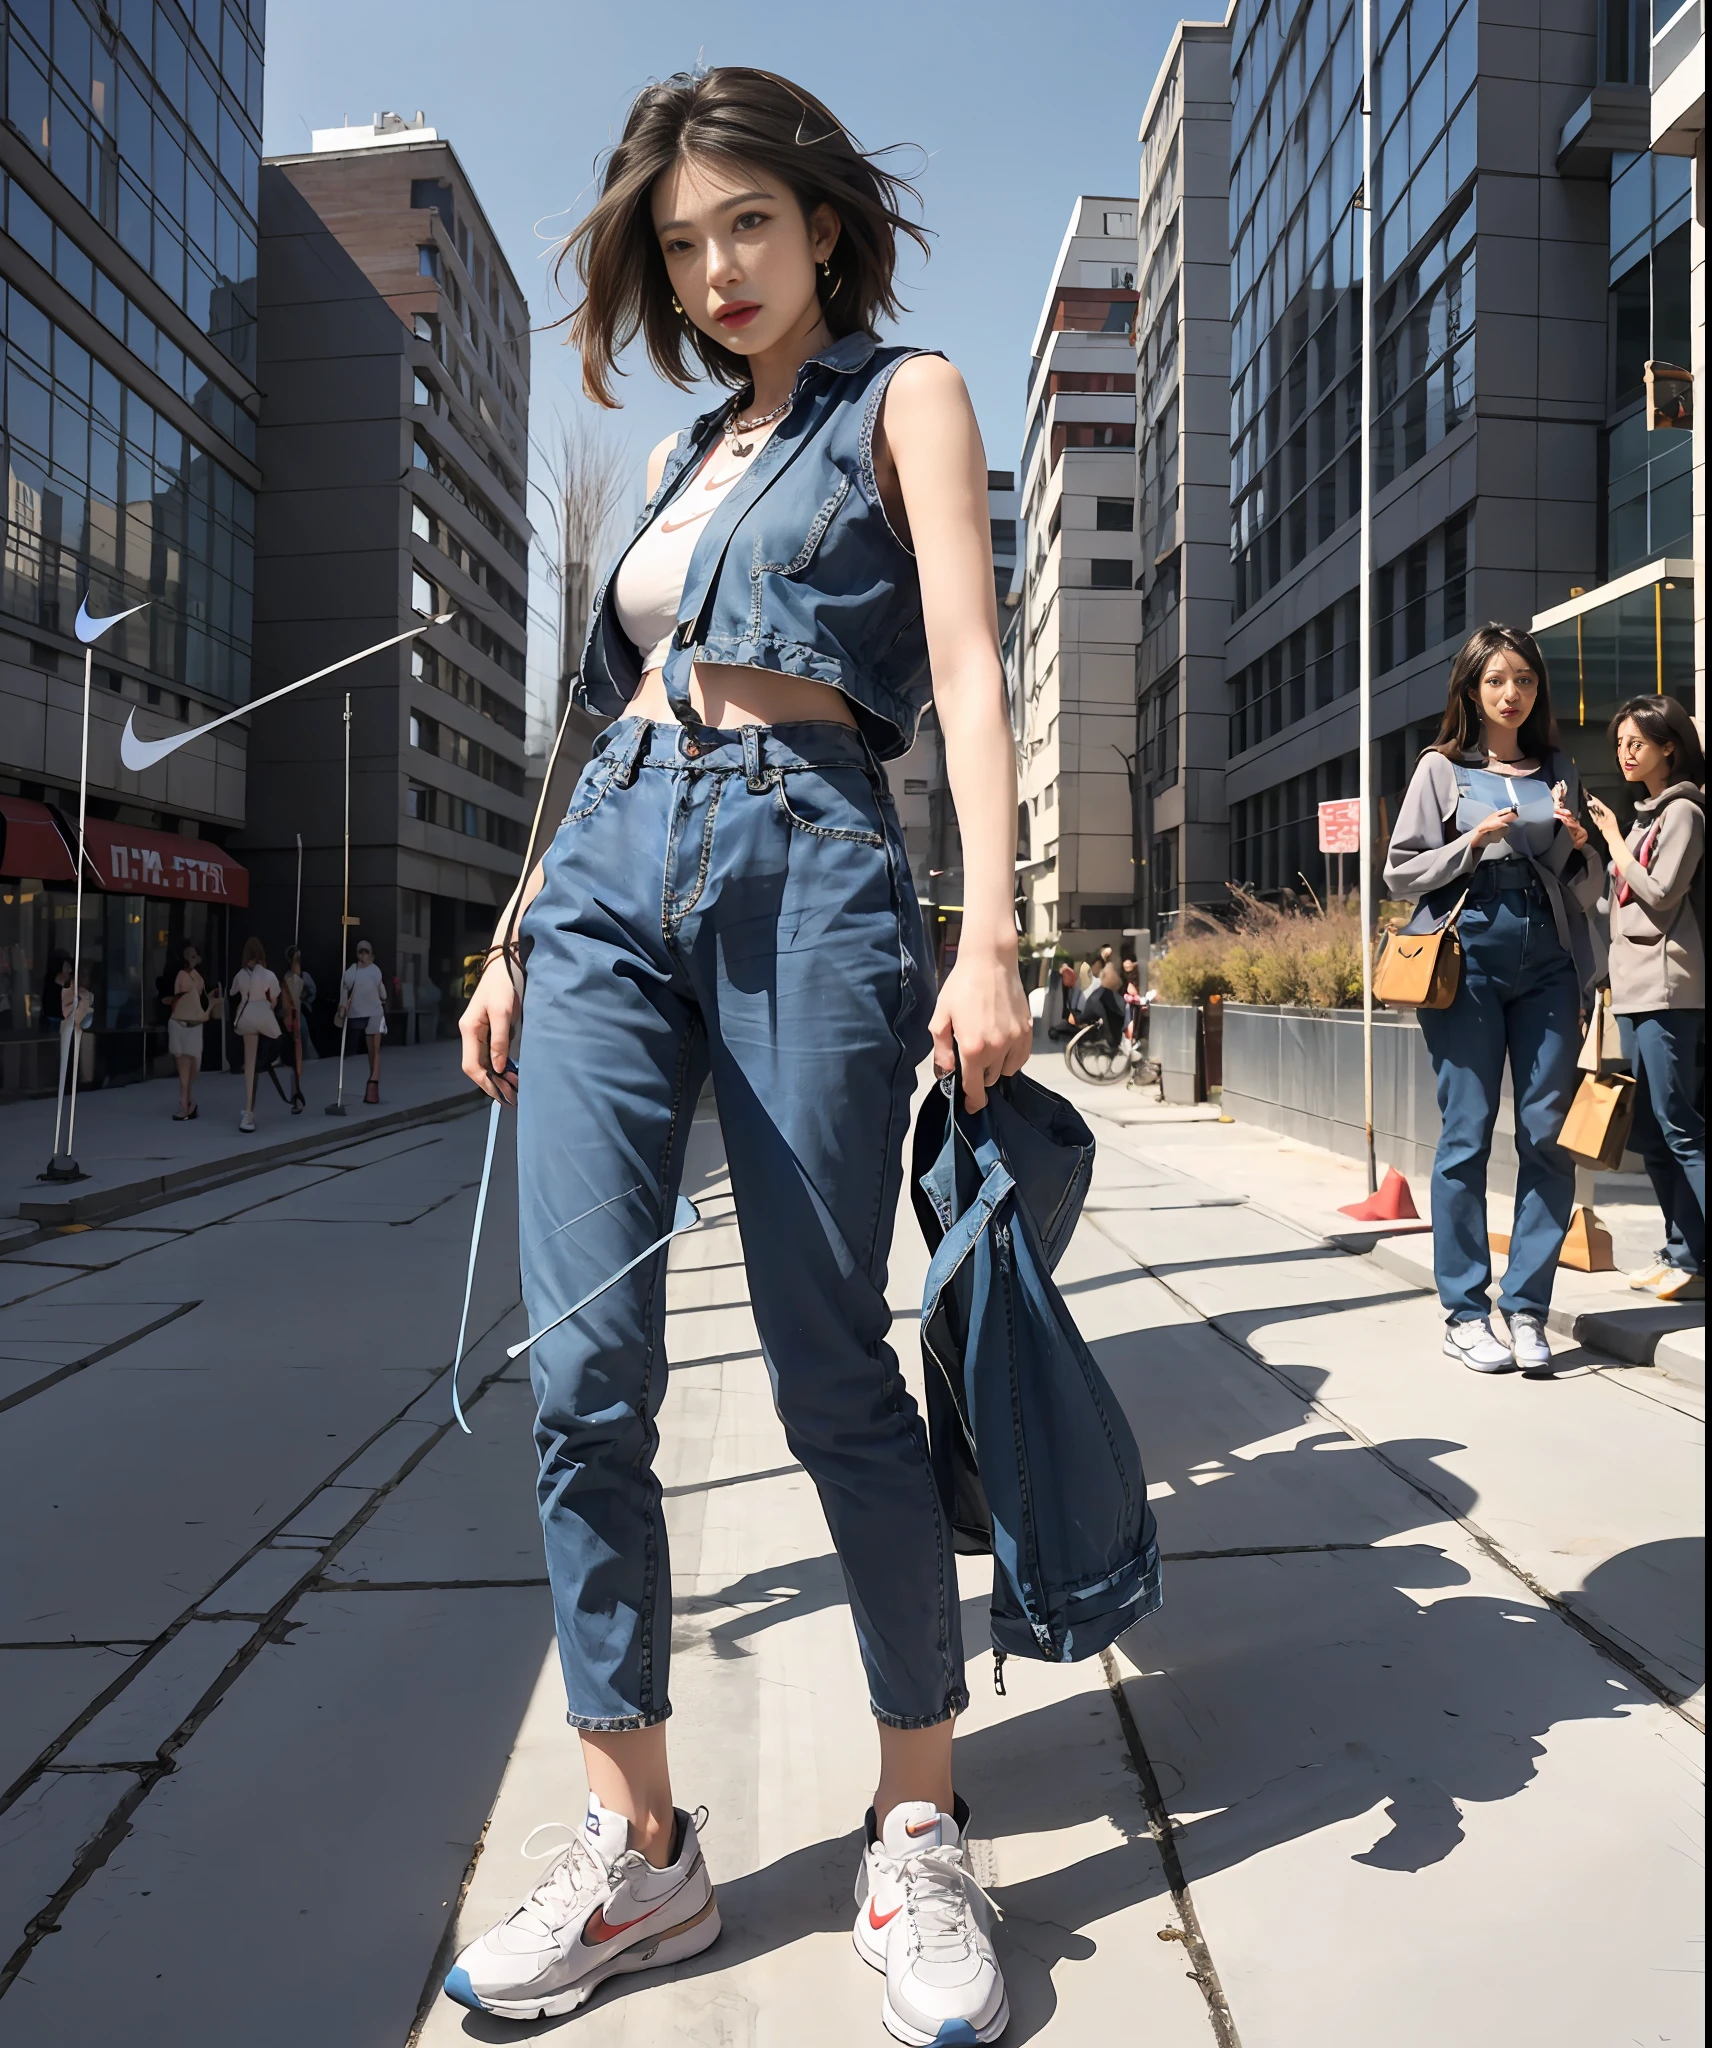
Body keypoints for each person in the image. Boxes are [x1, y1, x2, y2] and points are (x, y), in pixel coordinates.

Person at [452, 69, 1030, 2042]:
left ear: (819, 224)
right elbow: (588, 719)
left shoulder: (906, 399)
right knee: (582, 1373)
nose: (713, 271)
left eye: (744, 229)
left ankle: (918, 1820)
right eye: (681, 244)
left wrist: (995, 929)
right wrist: (521, 921)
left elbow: (962, 665)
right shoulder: (689, 451)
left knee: (825, 1367)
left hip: (807, 857)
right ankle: (642, 1845)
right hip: (609, 870)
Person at [1385, 624, 1600, 1374]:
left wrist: (1574, 844)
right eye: (1498, 681)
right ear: (1472, 691)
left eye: (1526, 682)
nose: (1513, 694)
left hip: (1547, 959)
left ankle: (1529, 1308)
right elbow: (1400, 872)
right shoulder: (1441, 771)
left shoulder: (1561, 768)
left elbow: (1589, 890)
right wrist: (1472, 842)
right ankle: (1466, 1312)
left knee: (1547, 1134)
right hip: (1465, 955)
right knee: (1467, 1134)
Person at [1586, 696, 1705, 1304]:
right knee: (1654, 1135)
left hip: (1666, 988)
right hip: (1633, 988)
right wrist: (1595, 846)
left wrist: (1612, 840)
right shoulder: (1642, 818)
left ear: (1669, 746)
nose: (1625, 753)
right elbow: (1618, 906)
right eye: (1620, 744)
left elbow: (1659, 892)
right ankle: (1683, 1254)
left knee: (1681, 1127)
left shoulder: (1683, 810)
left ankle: (1696, 1257)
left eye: (1637, 743)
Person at [230, 937, 285, 1134]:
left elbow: (233, 991)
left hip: (245, 1018)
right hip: (262, 1015)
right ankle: (272, 1059)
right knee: (274, 1039)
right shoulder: (269, 975)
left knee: (249, 1062)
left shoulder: (240, 974)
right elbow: (274, 999)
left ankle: (248, 1110)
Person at [335, 940, 387, 1104]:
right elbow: (383, 995)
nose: (363, 955)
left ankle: (373, 1084)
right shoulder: (367, 971)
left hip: (370, 1013)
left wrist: (343, 1008)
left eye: (365, 952)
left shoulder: (353, 971)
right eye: (361, 952)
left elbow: (345, 991)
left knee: (374, 1050)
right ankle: (373, 1084)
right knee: (373, 1051)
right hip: (371, 1012)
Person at [167, 941, 208, 1120]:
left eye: (194, 954)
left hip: (195, 1024)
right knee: (184, 1064)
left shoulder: (198, 977)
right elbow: (183, 991)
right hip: (180, 1024)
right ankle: (185, 1105)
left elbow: (200, 996)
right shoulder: (182, 975)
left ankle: (188, 1101)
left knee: (194, 1067)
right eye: (188, 954)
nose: (192, 957)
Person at [280, 947, 308, 1113]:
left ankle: (296, 1094)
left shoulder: (295, 978)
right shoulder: (290, 979)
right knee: (294, 1061)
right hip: (293, 1021)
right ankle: (296, 1095)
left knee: (297, 1061)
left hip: (295, 1020)